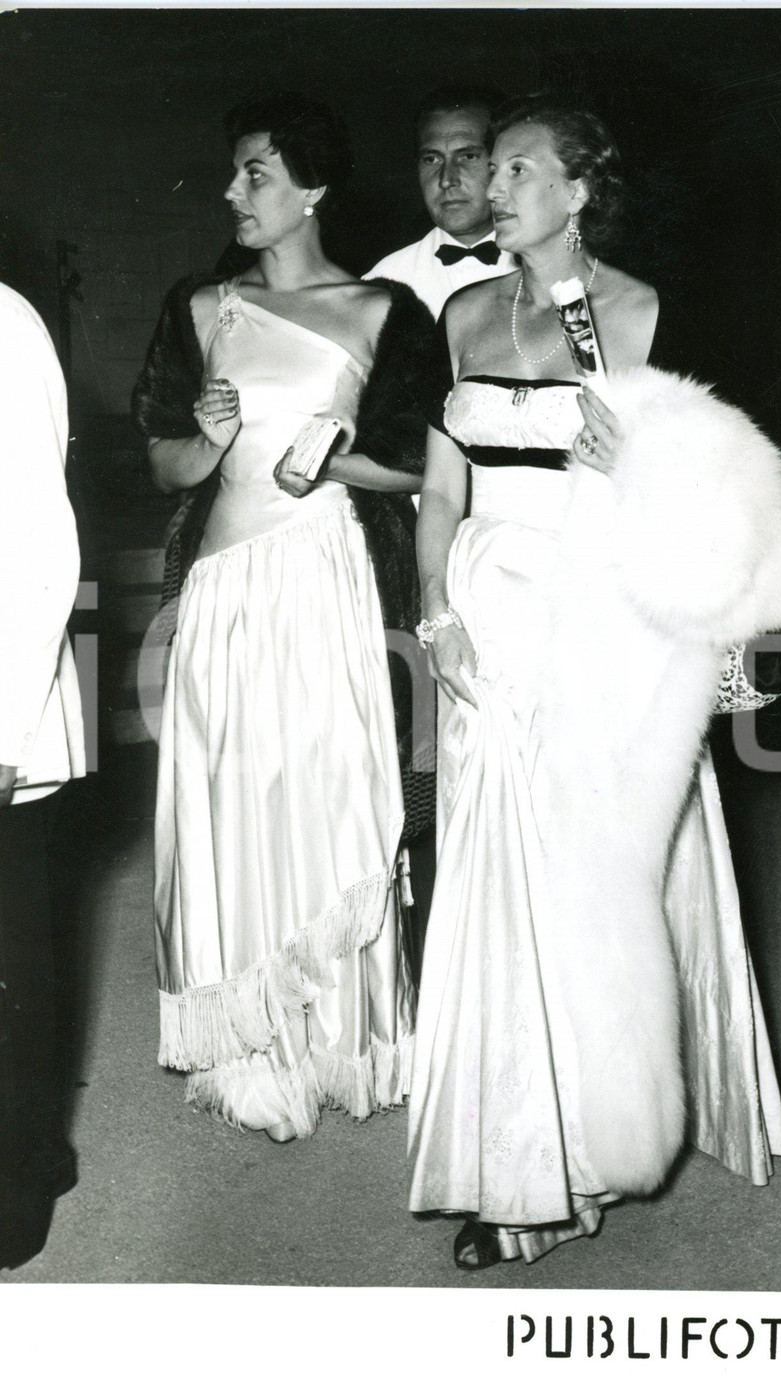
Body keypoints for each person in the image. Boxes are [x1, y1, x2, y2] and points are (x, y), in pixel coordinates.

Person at [408, 95, 781, 1268]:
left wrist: (635, 460)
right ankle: (522, 1166)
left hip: (598, 619)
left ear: (578, 191)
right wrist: (435, 612)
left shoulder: (638, 313)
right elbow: (441, 488)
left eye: (521, 169)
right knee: (503, 879)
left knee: (596, 877)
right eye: (497, 168)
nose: (496, 185)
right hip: (485, 615)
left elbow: (714, 496)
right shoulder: (466, 311)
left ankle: (590, 1147)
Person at [132, 92, 434, 1143]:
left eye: (254, 173)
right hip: (224, 579)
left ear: (312, 188)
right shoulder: (200, 304)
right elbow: (166, 458)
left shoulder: (384, 310)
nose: (231, 192)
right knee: (227, 797)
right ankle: (250, 1047)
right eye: (233, 173)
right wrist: (207, 442)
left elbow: (418, 465)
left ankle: (342, 1038)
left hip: (325, 575)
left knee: (325, 789)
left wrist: (335, 456)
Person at [0, 282, 86, 1269]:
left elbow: (38, 540)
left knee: (7, 966)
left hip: (2, 698)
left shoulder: (7, 326)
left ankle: (18, 1179)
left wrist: (7, 722)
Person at [364, 86, 517, 318]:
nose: (447, 180)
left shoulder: (550, 267)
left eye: (468, 156)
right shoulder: (383, 285)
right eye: (432, 159)